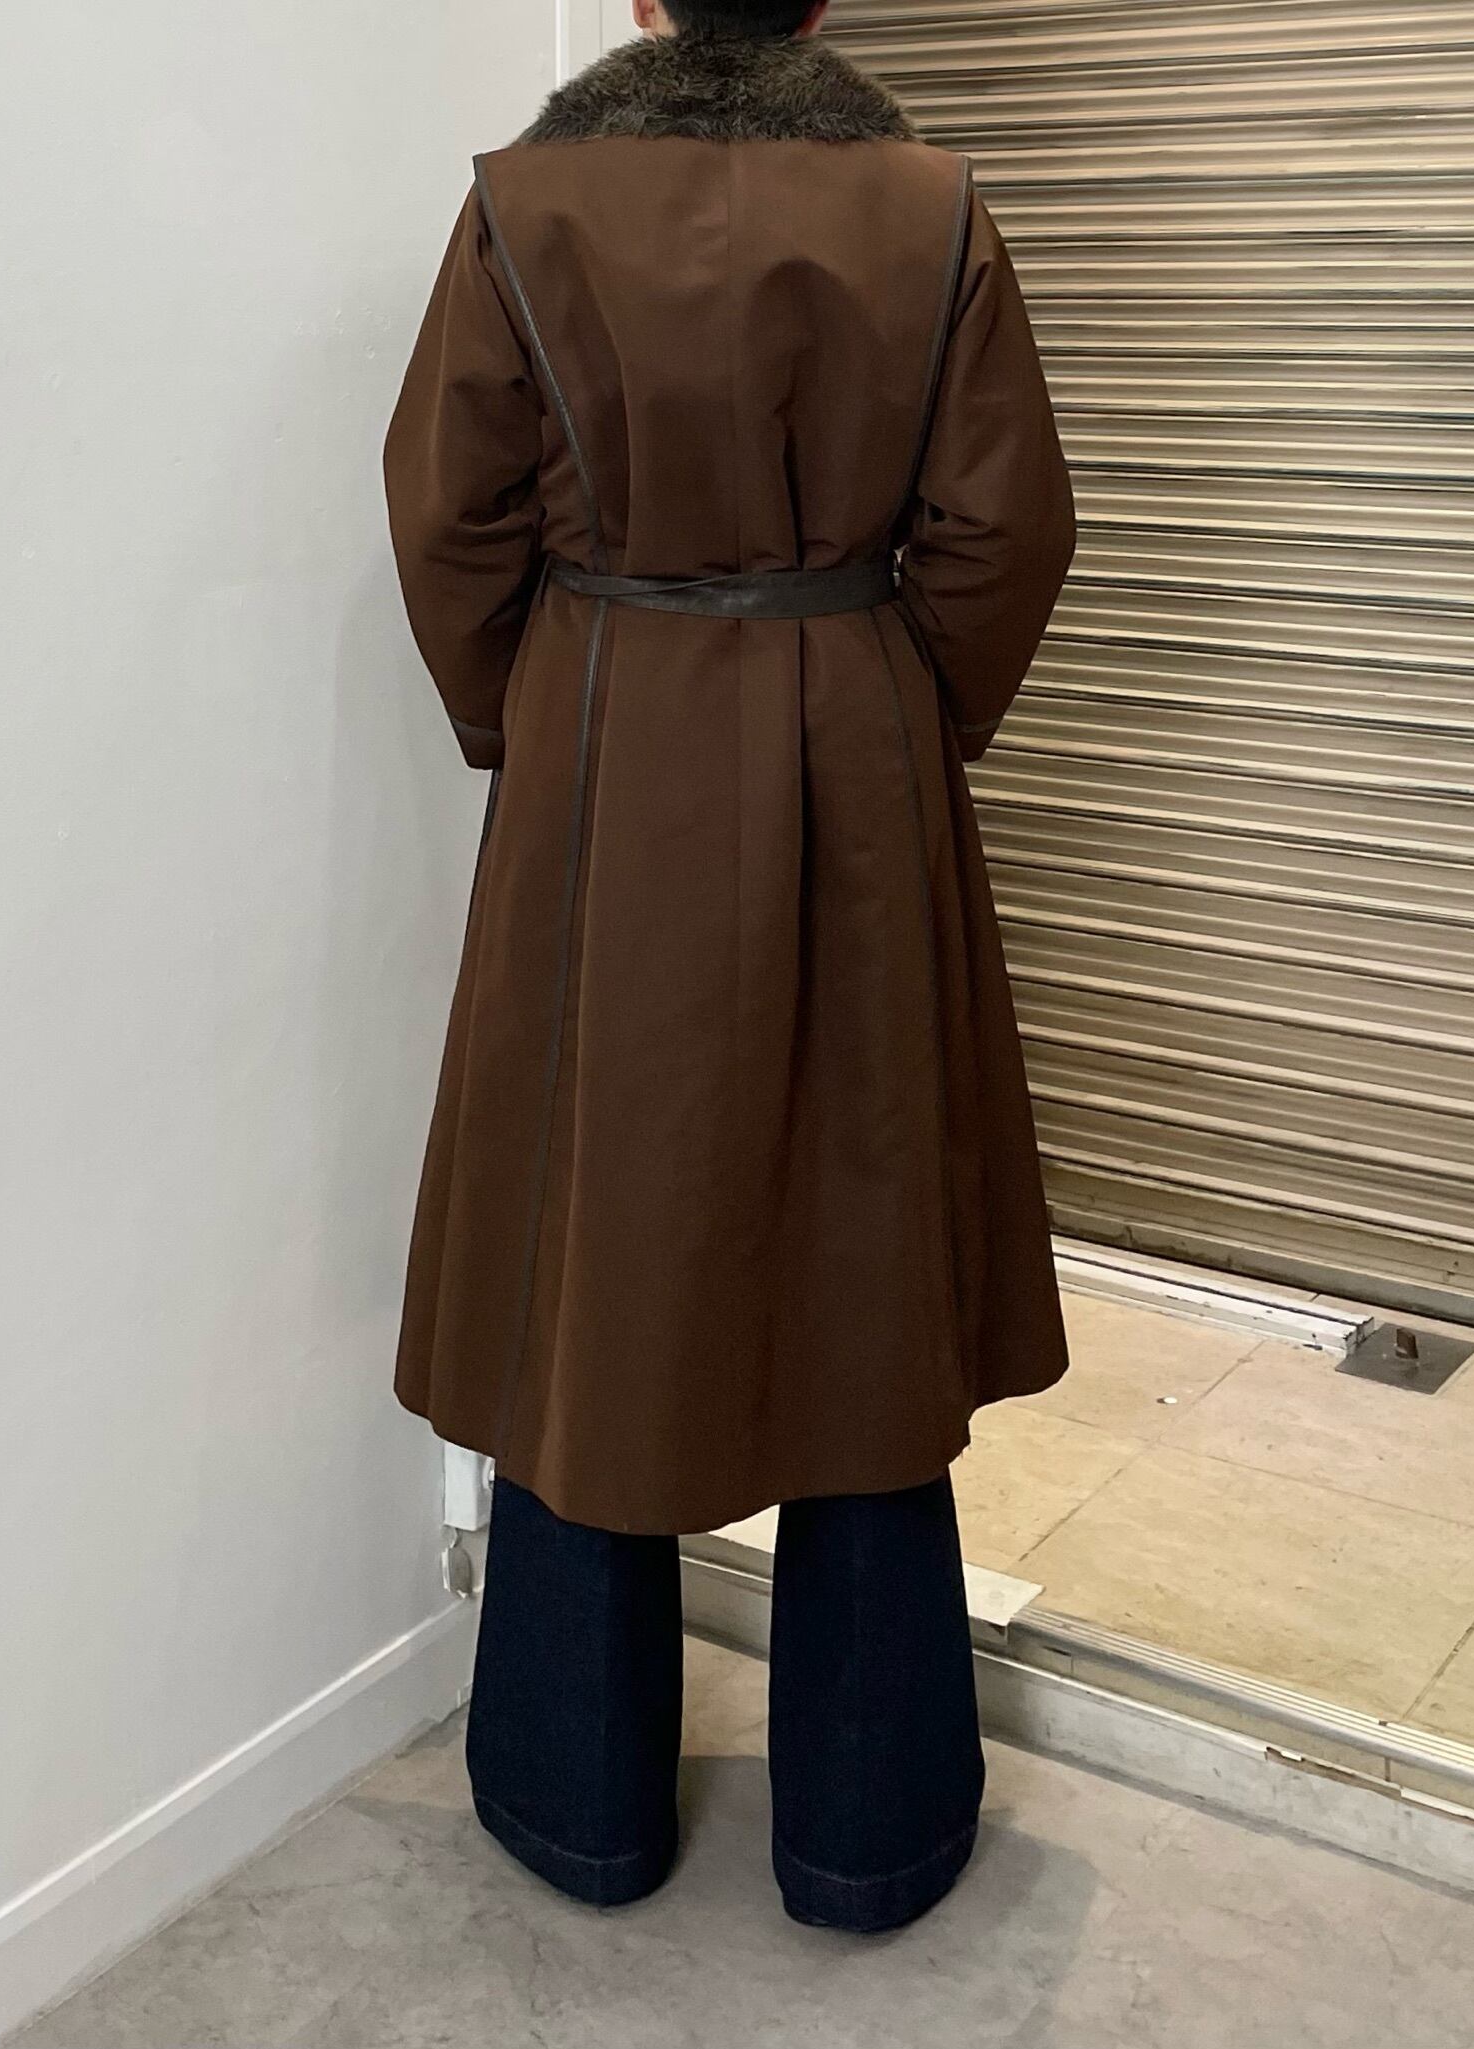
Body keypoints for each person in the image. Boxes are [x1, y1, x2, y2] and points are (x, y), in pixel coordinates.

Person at [383, 0, 1074, 1932]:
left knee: (587, 1255)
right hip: (855, 738)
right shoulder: (932, 206)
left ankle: (576, 1803)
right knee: (864, 1247)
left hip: (606, 749)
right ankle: (868, 1835)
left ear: (638, 0)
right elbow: (1005, 528)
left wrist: (534, 716)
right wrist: (889, 701)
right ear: (826, 3)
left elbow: (449, 521)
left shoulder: (523, 206)